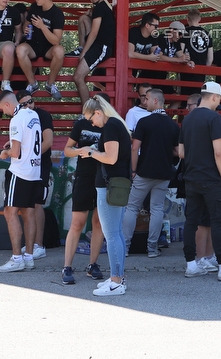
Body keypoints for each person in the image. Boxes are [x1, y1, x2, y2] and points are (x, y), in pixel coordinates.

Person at [179, 81, 221, 283]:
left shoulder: (188, 118)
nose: (219, 103)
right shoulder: (214, 118)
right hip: (211, 178)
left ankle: (191, 264)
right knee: (218, 222)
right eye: (219, 99)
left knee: (191, 221)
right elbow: (219, 152)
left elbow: (182, 152)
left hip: (191, 177)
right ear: (214, 97)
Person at [77, 95, 132, 296]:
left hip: (109, 186)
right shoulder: (117, 125)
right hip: (115, 185)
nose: (92, 123)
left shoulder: (110, 127)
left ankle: (116, 281)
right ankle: (117, 278)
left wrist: (89, 152)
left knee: (112, 235)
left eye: (92, 119)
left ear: (98, 113)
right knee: (115, 233)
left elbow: (110, 158)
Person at [122, 88, 179, 257]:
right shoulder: (173, 125)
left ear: (155, 101)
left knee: (132, 208)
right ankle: (152, 248)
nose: (144, 102)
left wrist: (133, 170)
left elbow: (135, 148)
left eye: (147, 99)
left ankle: (124, 247)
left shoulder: (144, 122)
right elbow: (177, 151)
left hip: (144, 171)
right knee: (157, 209)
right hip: (164, 173)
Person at [0, 90, 42, 273]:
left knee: (10, 212)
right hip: (34, 171)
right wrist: (11, 144)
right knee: (29, 213)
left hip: (19, 172)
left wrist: (5, 153)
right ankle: (28, 256)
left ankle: (16, 258)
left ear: (7, 104)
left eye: (2, 110)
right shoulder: (33, 114)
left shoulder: (16, 118)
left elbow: (15, 153)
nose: (4, 113)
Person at [60, 106, 106, 286]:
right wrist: (83, 151)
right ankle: (67, 267)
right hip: (84, 178)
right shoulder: (81, 124)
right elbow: (67, 150)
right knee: (77, 223)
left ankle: (92, 265)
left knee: (98, 223)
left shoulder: (111, 126)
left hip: (103, 178)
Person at [16, 91, 53, 260]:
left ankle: (39, 245)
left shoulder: (43, 115)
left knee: (38, 203)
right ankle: (31, 245)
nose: (29, 105)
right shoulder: (19, 117)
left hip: (41, 165)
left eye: (30, 101)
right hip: (25, 166)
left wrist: (33, 156)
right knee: (27, 205)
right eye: (24, 103)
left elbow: (48, 141)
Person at [16, 0, 66, 99]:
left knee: (60, 51)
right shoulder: (34, 7)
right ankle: (32, 83)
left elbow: (56, 41)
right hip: (33, 45)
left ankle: (50, 84)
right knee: (20, 50)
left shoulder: (57, 13)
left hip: (48, 47)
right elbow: (26, 23)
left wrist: (43, 27)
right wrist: (26, 28)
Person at [73, 0, 114, 105]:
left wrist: (84, 52)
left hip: (102, 47)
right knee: (83, 18)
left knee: (78, 77)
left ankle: (86, 112)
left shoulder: (100, 8)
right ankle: (80, 47)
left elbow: (94, 33)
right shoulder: (99, 8)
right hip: (98, 45)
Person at [128, 12, 166, 81]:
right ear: (147, 25)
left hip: (139, 68)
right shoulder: (134, 32)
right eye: (156, 26)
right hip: (126, 67)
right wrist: (149, 57)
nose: (157, 29)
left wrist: (158, 54)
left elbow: (155, 52)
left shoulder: (153, 36)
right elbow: (130, 53)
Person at [182, 8, 212, 87]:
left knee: (186, 96)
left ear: (187, 19)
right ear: (199, 19)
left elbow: (180, 52)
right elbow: (210, 59)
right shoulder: (207, 34)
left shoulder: (184, 33)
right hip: (201, 71)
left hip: (186, 69)